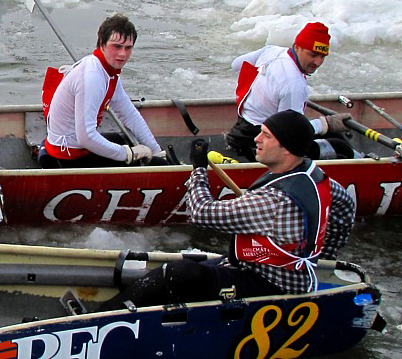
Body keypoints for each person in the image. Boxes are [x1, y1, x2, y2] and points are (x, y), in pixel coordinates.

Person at [100, 110, 355, 310]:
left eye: (266, 135)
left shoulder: (274, 201)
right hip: (280, 272)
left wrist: (199, 169)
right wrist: (321, 254)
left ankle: (108, 315)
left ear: (287, 148)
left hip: (270, 286)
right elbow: (345, 211)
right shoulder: (317, 177)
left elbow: (201, 213)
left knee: (180, 273)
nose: (256, 139)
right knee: (190, 264)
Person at [38, 14, 166, 168]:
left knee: (125, 141)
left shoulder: (108, 72)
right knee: (135, 158)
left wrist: (156, 151)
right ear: (102, 44)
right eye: (116, 46)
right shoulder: (93, 77)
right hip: (67, 157)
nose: (122, 54)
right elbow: (85, 137)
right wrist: (128, 154)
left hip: (77, 147)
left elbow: (129, 115)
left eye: (128, 48)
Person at [226, 22, 354, 161]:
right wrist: (327, 124)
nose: (317, 62)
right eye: (313, 55)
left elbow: (236, 64)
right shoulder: (294, 85)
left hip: (241, 128)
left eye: (322, 56)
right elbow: (292, 131)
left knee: (332, 137)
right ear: (297, 47)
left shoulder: (272, 51)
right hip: (263, 141)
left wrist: (265, 84)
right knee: (341, 147)